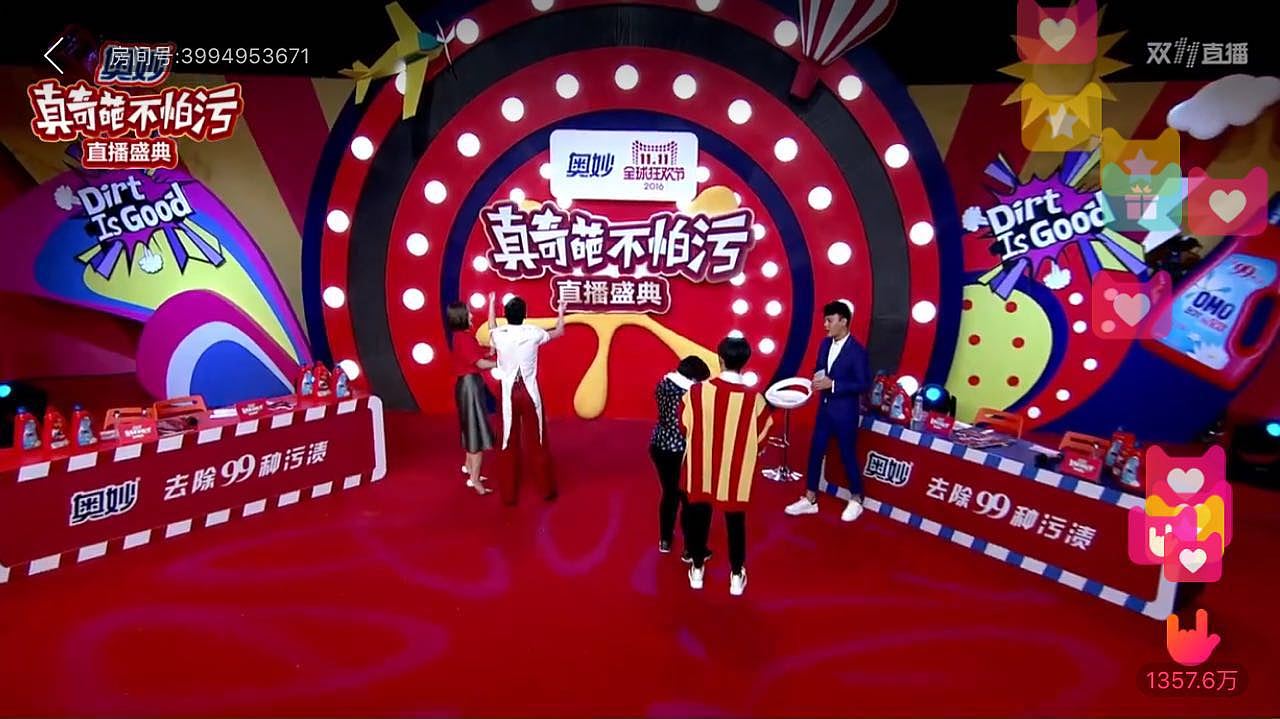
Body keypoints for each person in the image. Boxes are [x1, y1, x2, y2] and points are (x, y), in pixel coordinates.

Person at [681, 336, 773, 596]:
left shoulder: (696, 393)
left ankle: (697, 569)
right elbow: (763, 436)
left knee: (699, 518)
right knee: (735, 523)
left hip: (701, 469)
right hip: (735, 474)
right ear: (745, 361)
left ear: (719, 359)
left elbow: (684, 425)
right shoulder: (755, 400)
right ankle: (736, 575)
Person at [784, 300, 871, 522]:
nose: (825, 325)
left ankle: (857, 498)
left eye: (830, 321)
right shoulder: (824, 344)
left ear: (844, 321)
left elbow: (863, 384)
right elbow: (820, 368)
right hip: (824, 410)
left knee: (847, 454)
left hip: (845, 414)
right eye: (825, 320)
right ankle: (810, 498)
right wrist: (817, 379)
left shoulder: (857, 351)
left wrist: (833, 385)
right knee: (815, 452)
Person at [487, 292, 565, 506]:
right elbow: (559, 331)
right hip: (530, 393)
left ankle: (508, 495)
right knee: (538, 440)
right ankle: (546, 490)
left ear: (505, 315)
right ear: (525, 314)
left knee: (506, 442)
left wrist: (491, 304)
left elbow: (491, 327)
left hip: (508, 394)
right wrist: (561, 311)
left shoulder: (499, 334)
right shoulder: (534, 332)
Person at [649, 355, 712, 558]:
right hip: (682, 450)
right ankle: (690, 548)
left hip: (659, 445)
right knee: (687, 498)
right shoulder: (691, 395)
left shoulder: (663, 384)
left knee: (669, 493)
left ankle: (665, 539)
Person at [447, 302, 498, 496]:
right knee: (475, 430)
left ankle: (469, 468)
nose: (471, 315)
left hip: (469, 385)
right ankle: (475, 479)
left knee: (470, 428)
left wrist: (488, 354)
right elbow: (480, 364)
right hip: (470, 387)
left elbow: (475, 357)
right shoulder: (463, 338)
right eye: (468, 313)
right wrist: (499, 363)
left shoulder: (462, 337)